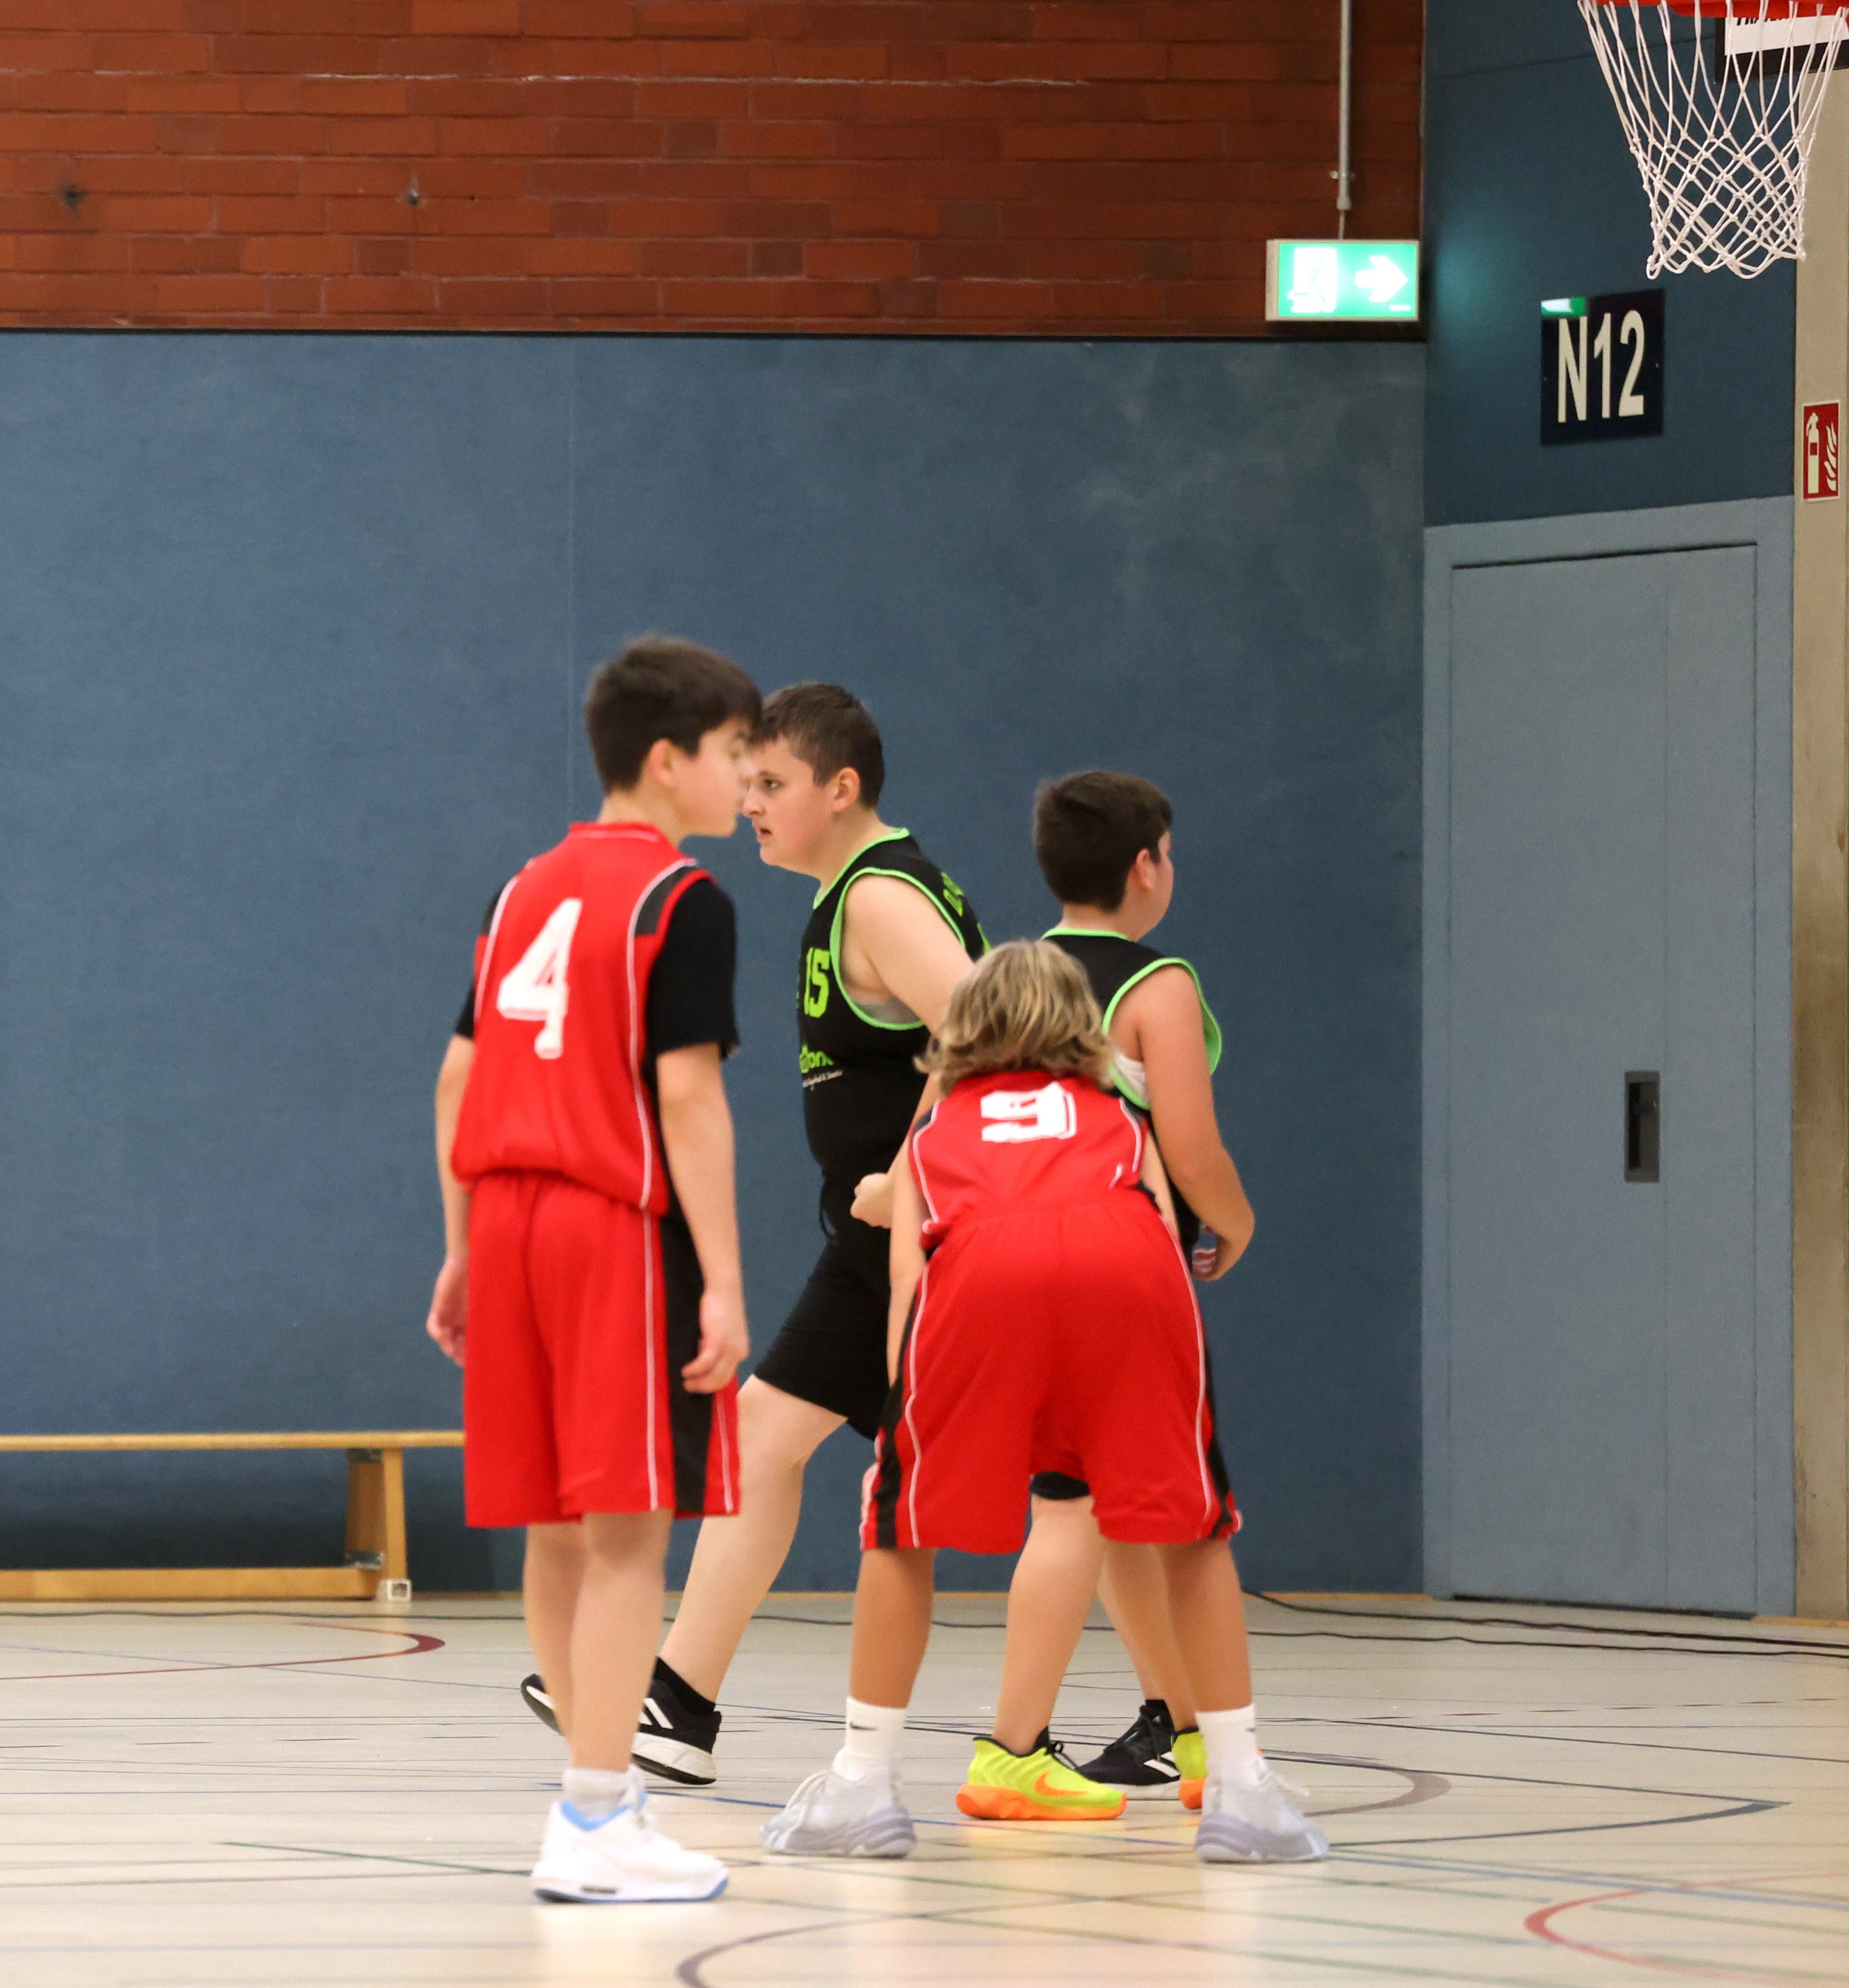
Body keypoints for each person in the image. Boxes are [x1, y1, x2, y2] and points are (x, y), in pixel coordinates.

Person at [757, 941, 1325, 1864]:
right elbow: (1160, 1229)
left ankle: (861, 1784)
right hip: (1126, 1266)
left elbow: (907, 1284)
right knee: (1194, 1528)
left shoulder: (932, 1134)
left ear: (962, 1030)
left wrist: (908, 1426)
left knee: (901, 1532)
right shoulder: (1117, 1115)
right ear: (1079, 1028)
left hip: (980, 1270)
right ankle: (1241, 1788)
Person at [517, 684, 983, 1786]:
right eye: (746, 780)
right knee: (762, 1440)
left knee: (1059, 1480)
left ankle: (1169, 1718)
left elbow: (985, 1023)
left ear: (842, 786)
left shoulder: (880, 895)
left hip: (923, 1237)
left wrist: (909, 1170)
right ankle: (677, 1699)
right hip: (878, 1240)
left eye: (772, 783)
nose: (750, 802)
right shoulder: (853, 891)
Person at [424, 636, 757, 1903]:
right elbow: (689, 1099)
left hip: (507, 1218)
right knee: (628, 1530)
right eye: (733, 753)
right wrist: (721, 1277)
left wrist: (461, 1245)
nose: (744, 777)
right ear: (667, 761)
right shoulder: (682, 899)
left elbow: (456, 1078)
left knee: (557, 1530)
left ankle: (595, 1794)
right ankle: (596, 1813)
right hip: (610, 1225)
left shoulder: (522, 887)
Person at [1005, 770, 1257, 1807]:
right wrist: (1236, 1223)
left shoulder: (1010, 980)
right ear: (1146, 865)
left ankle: (1174, 1727)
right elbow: (1189, 1149)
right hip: (1122, 1266)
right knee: (1186, 1521)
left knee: (1075, 1504)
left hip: (1013, 1266)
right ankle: (1216, 1755)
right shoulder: (1159, 987)